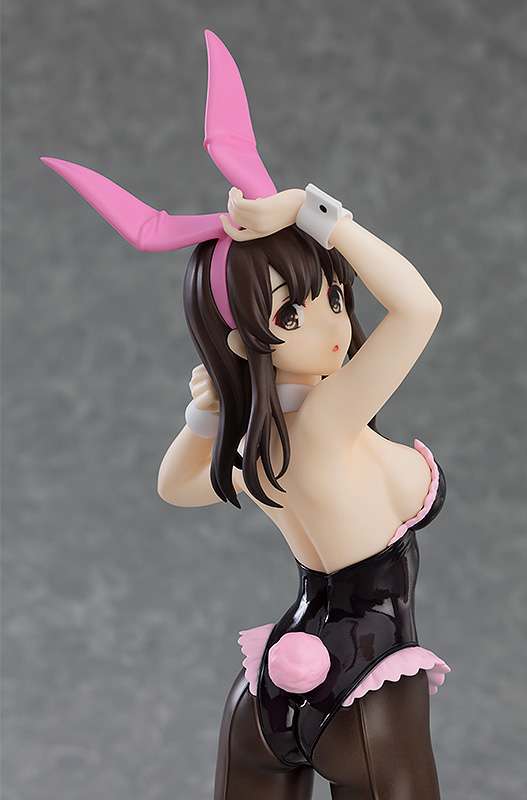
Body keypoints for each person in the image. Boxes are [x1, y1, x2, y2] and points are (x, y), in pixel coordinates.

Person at [42, 29, 450, 800]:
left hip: (269, 689)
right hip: (366, 690)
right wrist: (313, 213)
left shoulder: (265, 441)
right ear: (246, 340)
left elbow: (176, 487)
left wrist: (205, 417)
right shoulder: (325, 421)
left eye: (335, 295)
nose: (335, 326)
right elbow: (420, 308)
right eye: (294, 314)